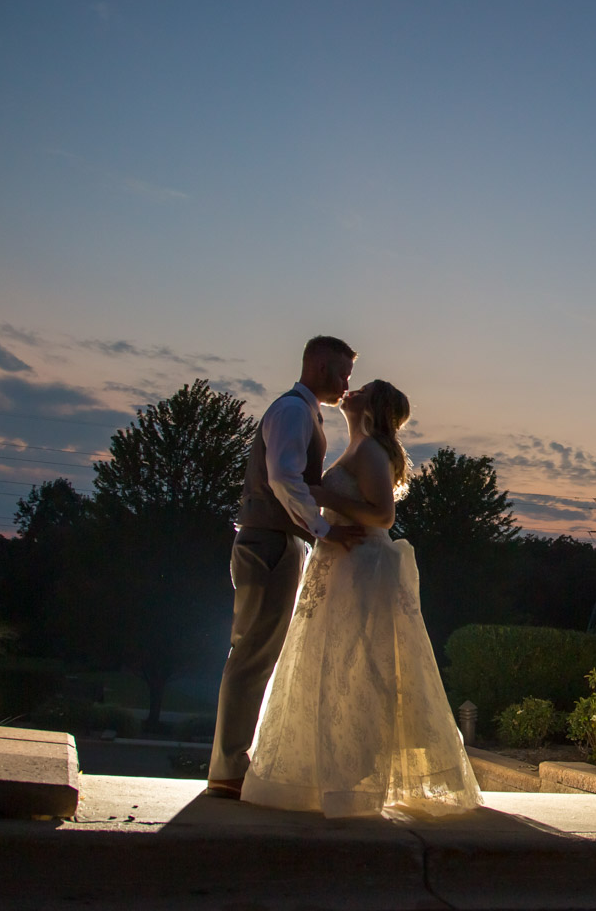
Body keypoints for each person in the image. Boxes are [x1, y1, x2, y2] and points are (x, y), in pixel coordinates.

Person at [240, 379, 482, 818]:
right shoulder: (356, 447)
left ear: (374, 408)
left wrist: (322, 495)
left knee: (356, 666)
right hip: (340, 564)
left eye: (362, 389)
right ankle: (327, 776)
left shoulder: (370, 451)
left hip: (361, 567)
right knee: (327, 665)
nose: (350, 391)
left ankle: (352, 780)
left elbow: (383, 516)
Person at [205, 335, 365, 800]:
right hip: (271, 542)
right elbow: (283, 477)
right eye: (341, 374)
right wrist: (323, 530)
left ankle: (230, 764)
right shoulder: (294, 411)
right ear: (317, 367)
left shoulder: (303, 411)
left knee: (258, 650)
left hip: (275, 541)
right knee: (254, 651)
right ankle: (229, 769)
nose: (345, 384)